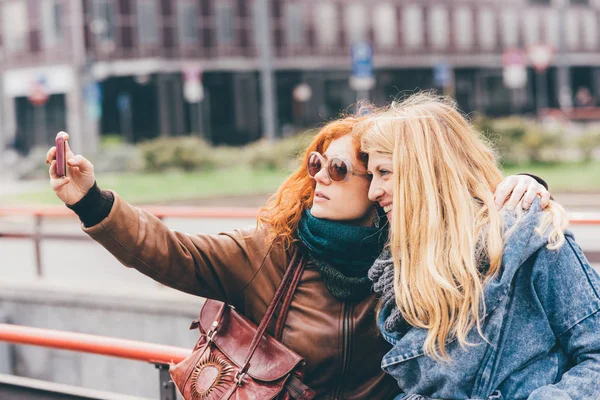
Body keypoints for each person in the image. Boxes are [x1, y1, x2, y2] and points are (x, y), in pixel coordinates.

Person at [46, 115, 548, 399]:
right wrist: (91, 201)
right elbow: (171, 252)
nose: (320, 178)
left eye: (338, 168)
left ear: (378, 182)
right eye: (315, 164)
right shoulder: (273, 249)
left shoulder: (413, 253)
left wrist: (527, 188)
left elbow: (466, 212)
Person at [359, 93, 600, 399]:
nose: (373, 192)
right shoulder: (396, 268)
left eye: (384, 172)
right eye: (370, 175)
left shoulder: (532, 238)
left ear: (427, 172)